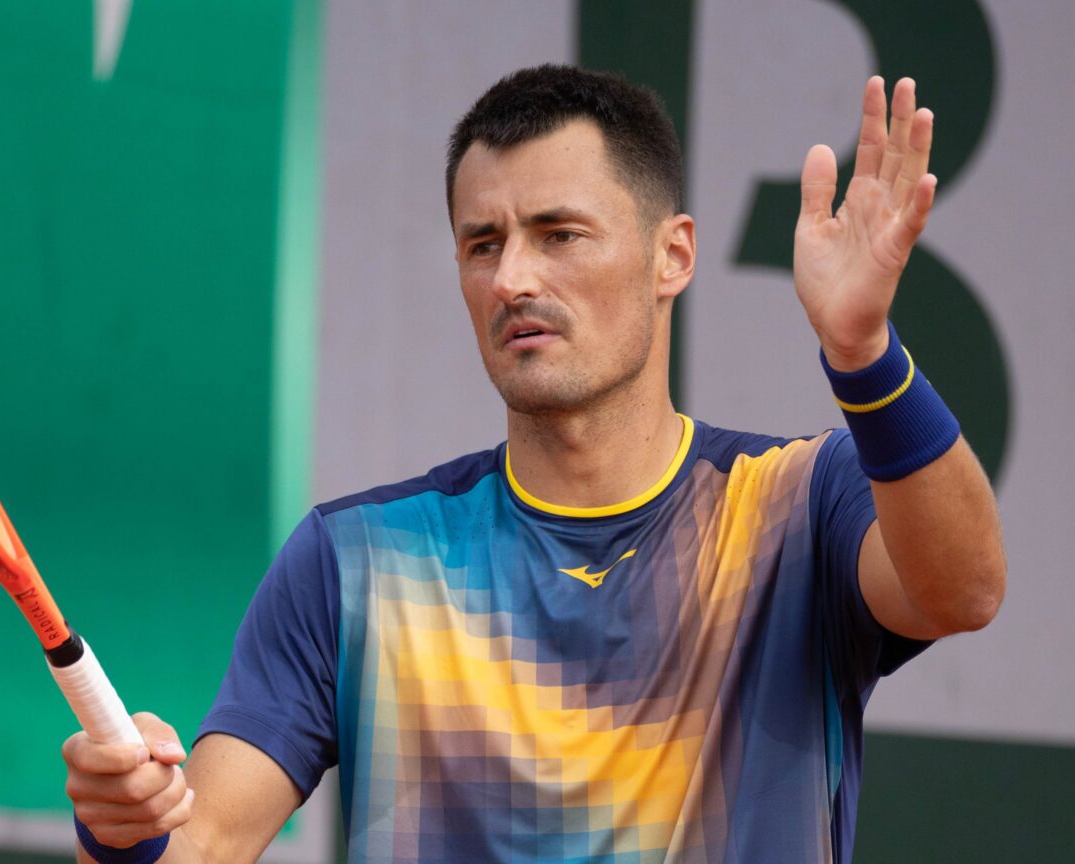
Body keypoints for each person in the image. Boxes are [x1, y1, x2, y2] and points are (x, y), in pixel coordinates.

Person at [61, 64, 1005, 864]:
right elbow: (201, 847)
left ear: (672, 256)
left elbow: (962, 590)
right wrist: (124, 829)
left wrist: (863, 352)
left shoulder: (800, 502)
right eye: (484, 244)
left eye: (559, 234)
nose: (512, 278)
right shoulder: (354, 560)